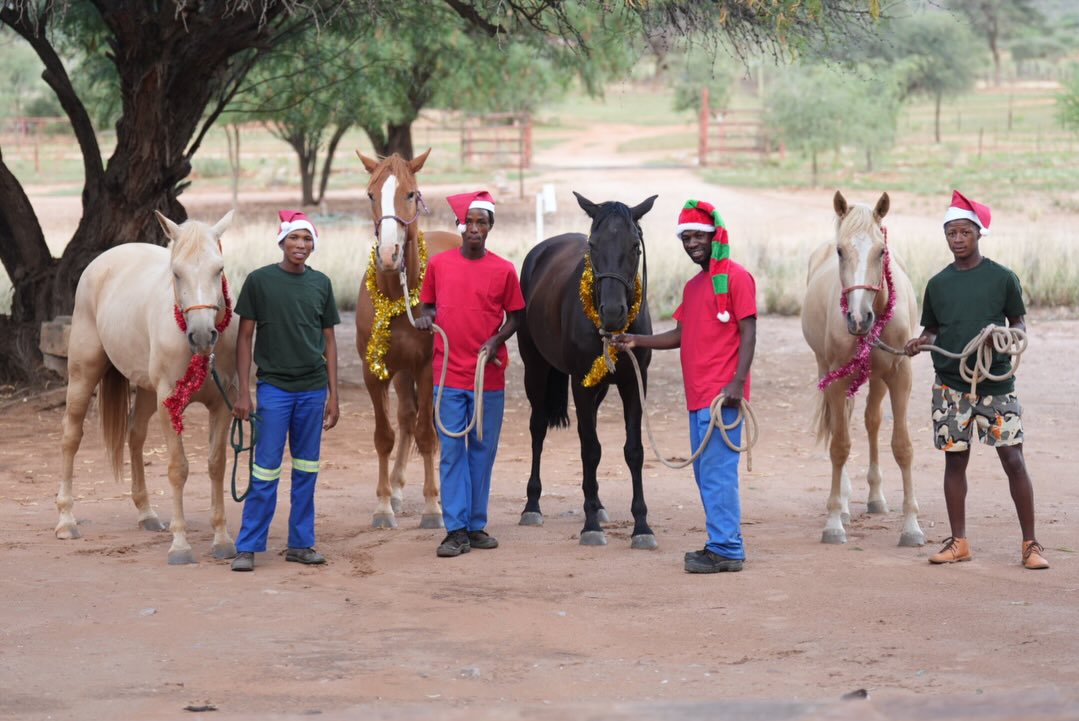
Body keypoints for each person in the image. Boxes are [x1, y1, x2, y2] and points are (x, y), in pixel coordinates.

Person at [905, 191, 1048, 570]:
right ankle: (959, 542)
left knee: (1013, 460)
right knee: (955, 461)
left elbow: (1017, 324)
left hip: (996, 383)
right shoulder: (937, 284)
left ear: (978, 234)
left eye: (964, 231)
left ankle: (1031, 544)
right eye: (951, 232)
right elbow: (934, 330)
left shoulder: (1002, 278)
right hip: (950, 385)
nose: (957, 239)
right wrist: (923, 343)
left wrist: (1004, 336)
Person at [612, 200, 756, 573]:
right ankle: (721, 542)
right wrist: (637, 341)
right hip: (697, 397)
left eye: (698, 236)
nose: (691, 243)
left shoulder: (738, 279)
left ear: (714, 237)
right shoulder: (694, 287)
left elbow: (749, 329)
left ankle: (727, 548)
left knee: (718, 472)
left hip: (722, 396)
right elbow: (681, 333)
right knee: (705, 473)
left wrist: (738, 382)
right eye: (686, 237)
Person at [414, 190, 525, 558]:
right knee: (451, 453)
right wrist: (426, 317)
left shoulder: (504, 270)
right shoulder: (439, 265)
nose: (474, 228)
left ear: (490, 227)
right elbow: (426, 305)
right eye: (469, 222)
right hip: (447, 377)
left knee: (482, 452)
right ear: (459, 226)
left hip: (487, 378)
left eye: (482, 222)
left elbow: (516, 317)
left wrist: (496, 341)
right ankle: (455, 529)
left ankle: (476, 525)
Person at [230, 210, 340, 572]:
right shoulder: (259, 282)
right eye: (295, 238)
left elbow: (329, 340)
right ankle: (248, 545)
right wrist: (244, 392)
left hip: (312, 391)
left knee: (307, 470)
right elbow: (244, 338)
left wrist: (333, 395)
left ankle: (301, 543)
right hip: (274, 389)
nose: (301, 245)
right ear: (281, 241)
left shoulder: (321, 284)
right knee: (265, 470)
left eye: (307, 239)